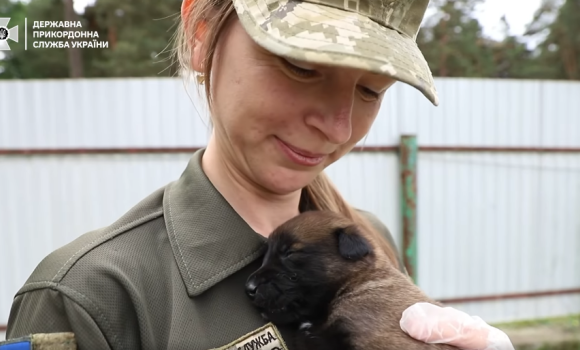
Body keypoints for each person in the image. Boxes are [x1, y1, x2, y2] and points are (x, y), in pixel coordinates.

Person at [5, 0, 514, 349]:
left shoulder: (367, 238)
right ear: (202, 33)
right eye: (301, 66)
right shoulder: (89, 295)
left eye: (371, 91)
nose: (337, 126)